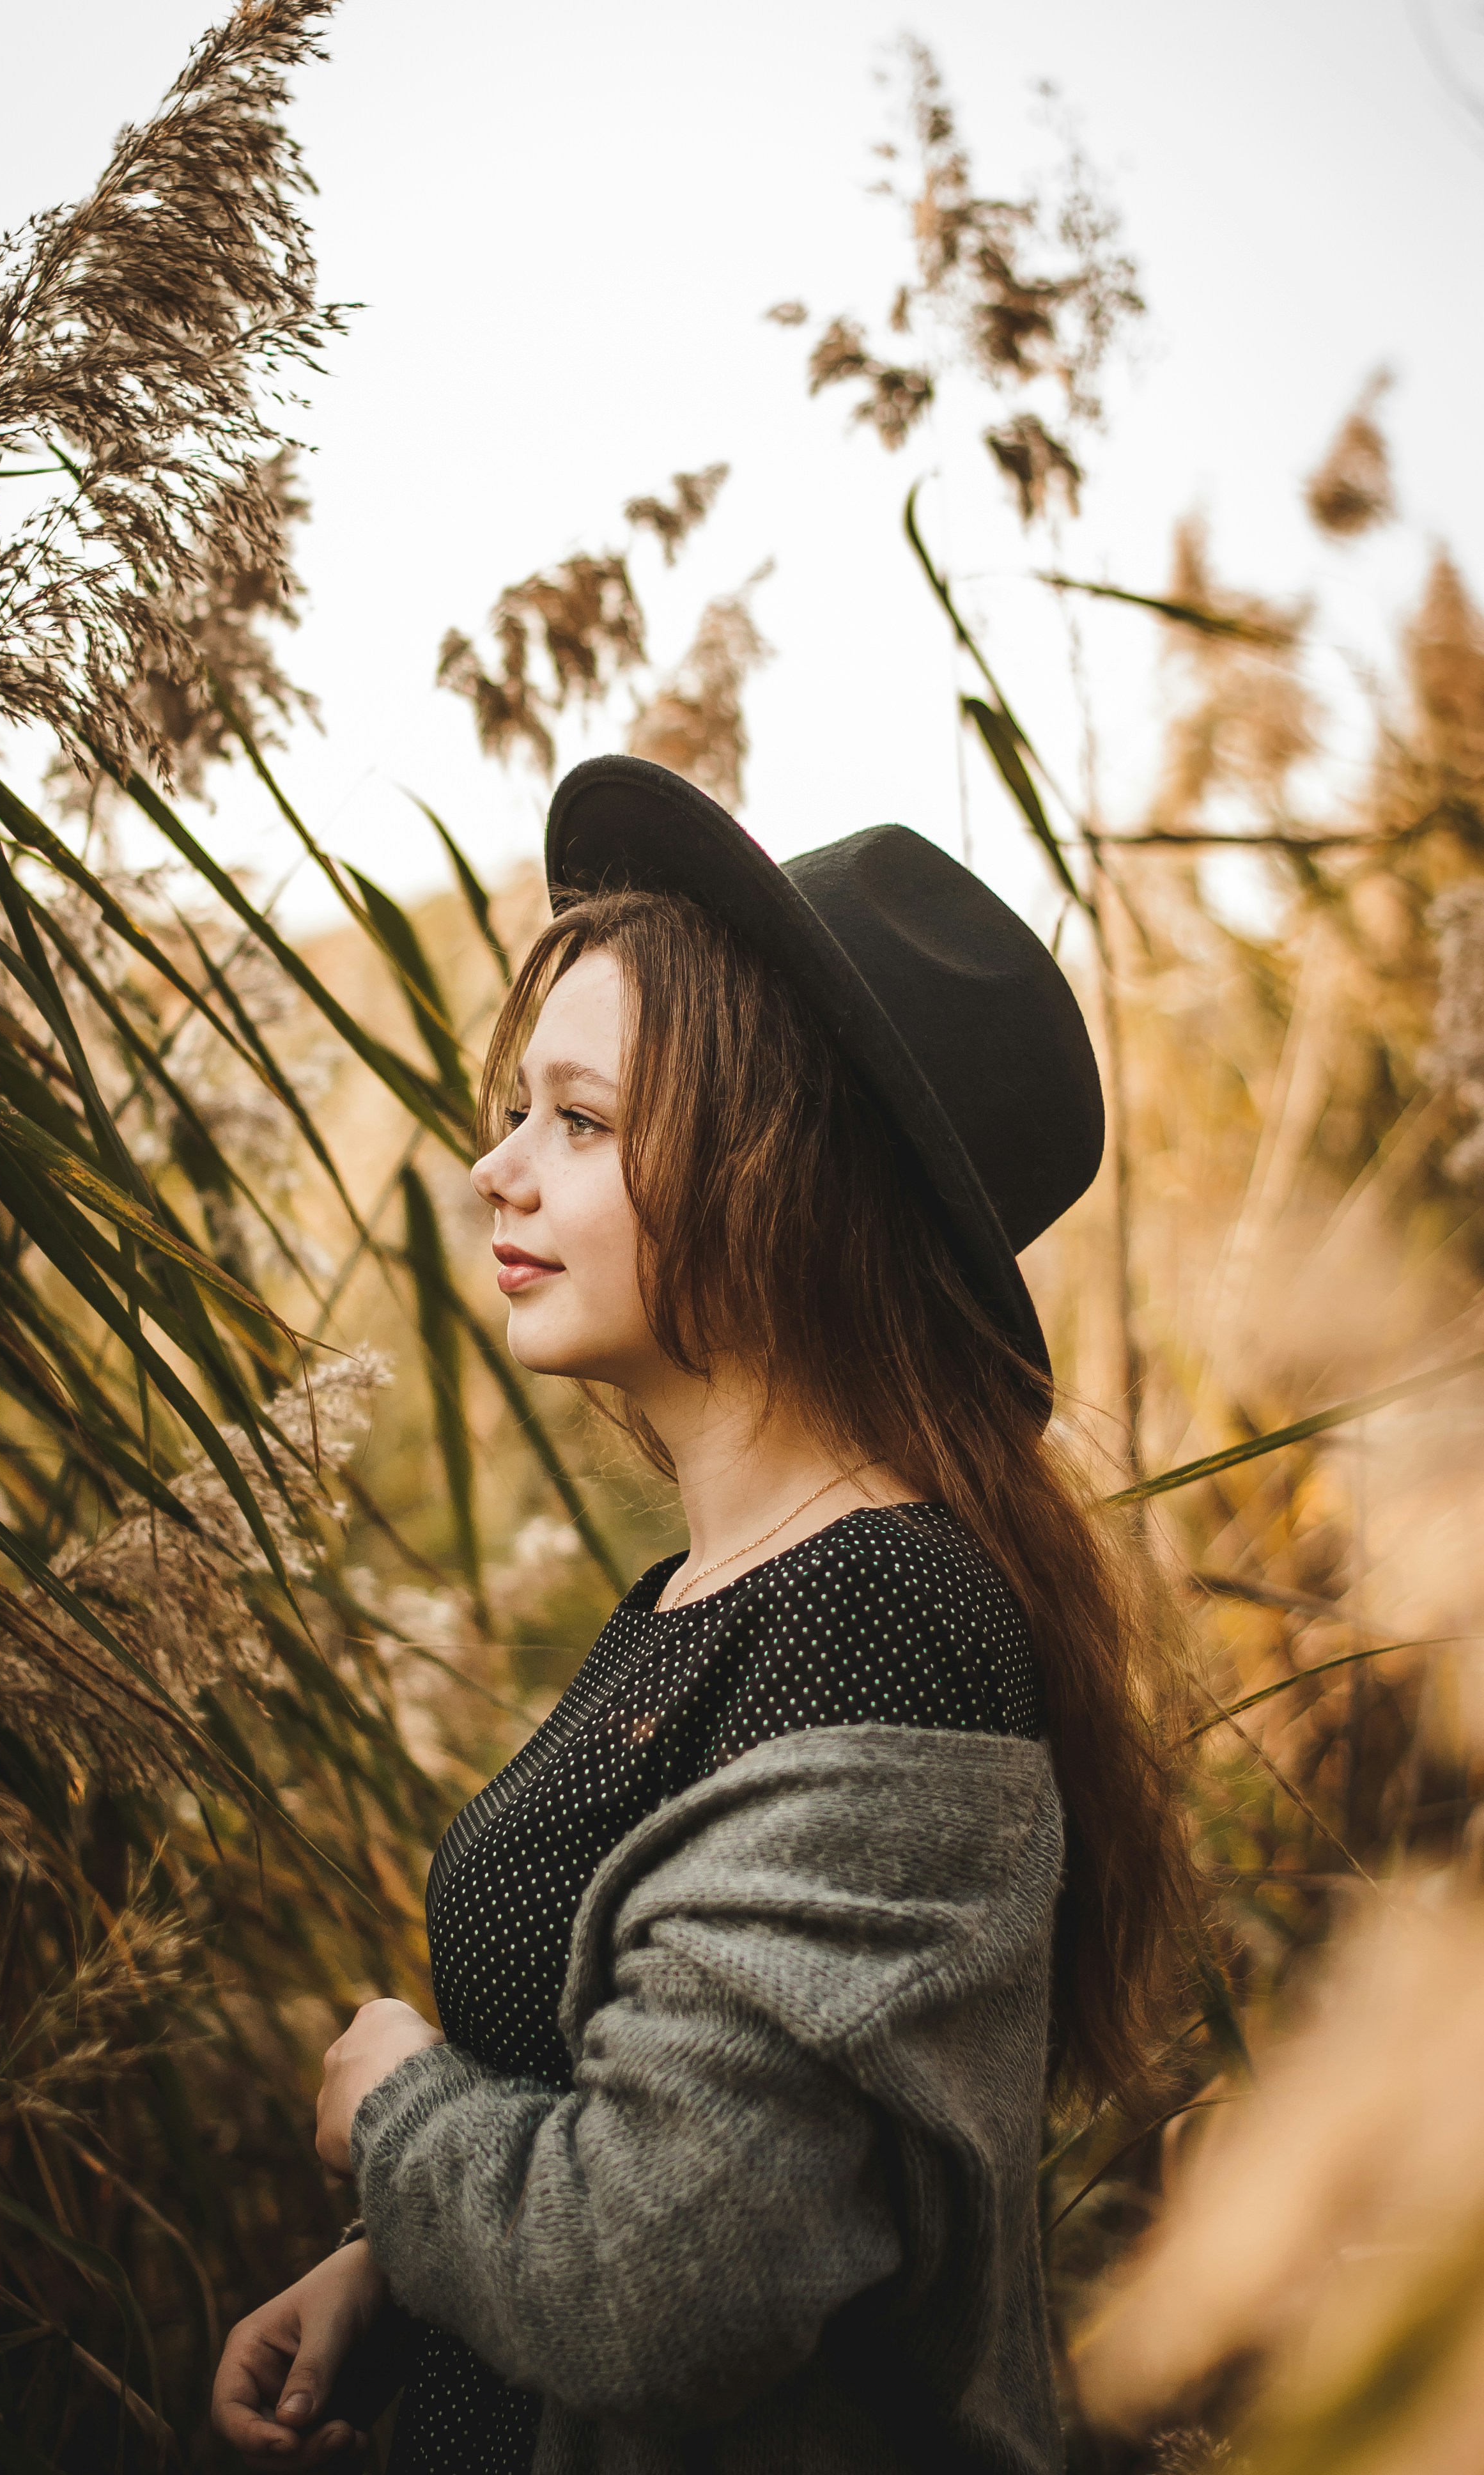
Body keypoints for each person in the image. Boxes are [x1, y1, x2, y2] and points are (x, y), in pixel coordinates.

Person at [212, 756, 1196, 2472]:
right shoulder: (697, 1604)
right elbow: (670, 2130)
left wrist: (394, 2115)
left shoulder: (883, 1621)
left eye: (578, 1123)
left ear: (781, 1175)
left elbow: (653, 2282)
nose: (495, 1171)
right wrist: (400, 2269)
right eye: (522, 1112)